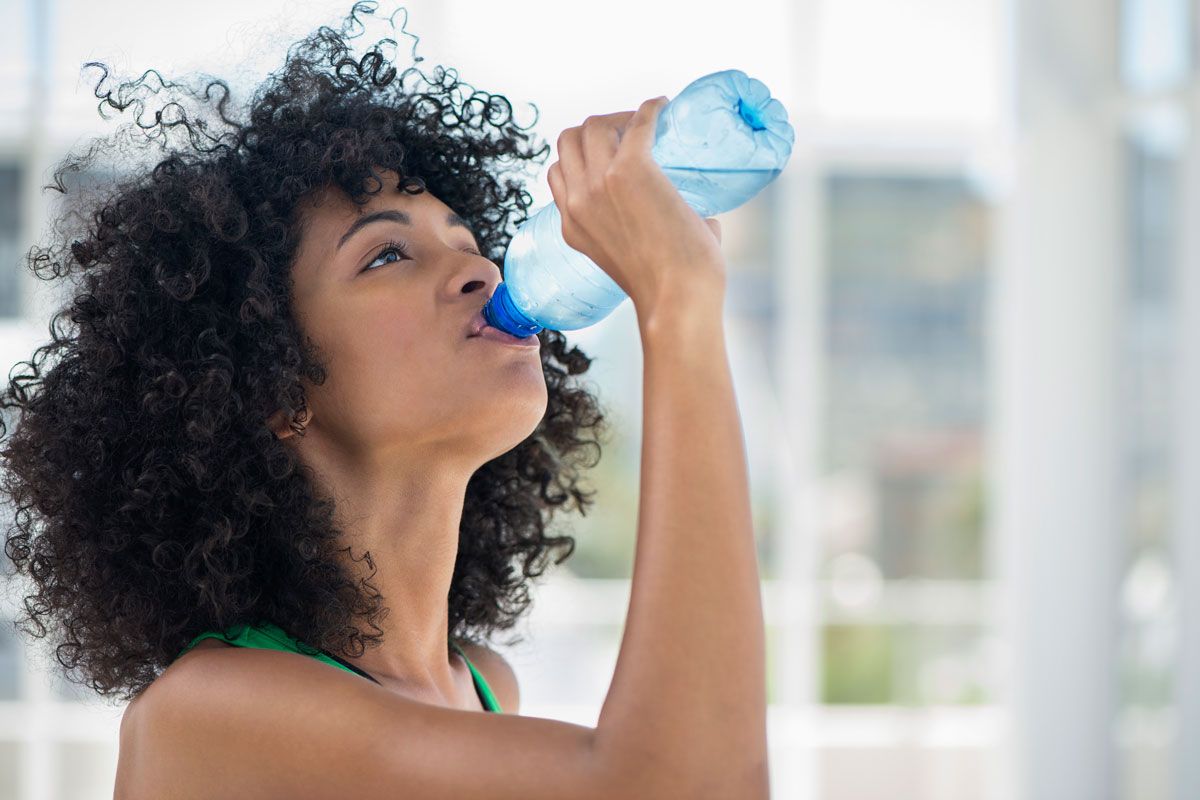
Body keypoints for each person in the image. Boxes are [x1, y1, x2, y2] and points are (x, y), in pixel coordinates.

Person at [0, 3, 767, 797]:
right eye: (387, 254)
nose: (482, 273)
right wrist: (676, 305)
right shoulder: (206, 712)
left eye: (468, 243)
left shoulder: (486, 688)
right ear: (273, 383)